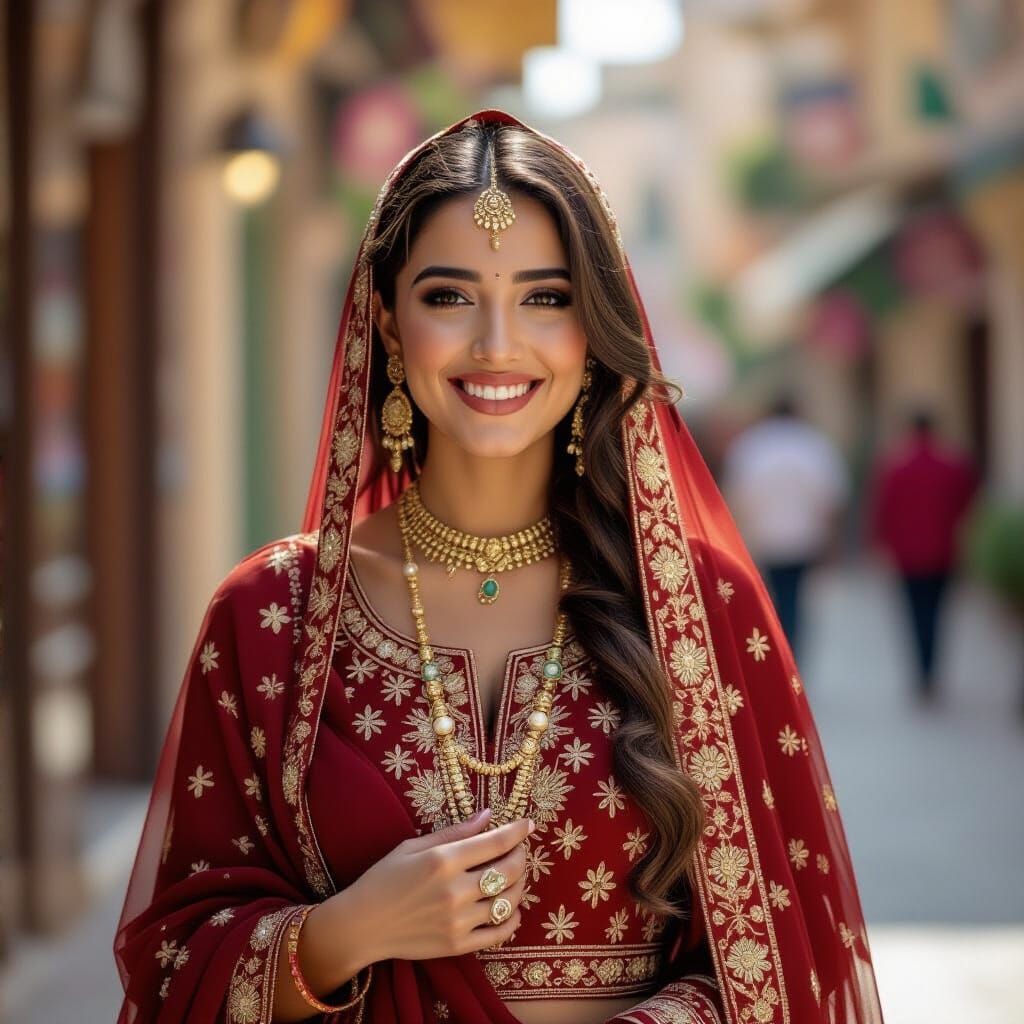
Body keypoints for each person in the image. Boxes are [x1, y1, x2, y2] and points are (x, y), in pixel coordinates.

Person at [113, 111, 883, 1024]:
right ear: (390, 328)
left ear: (593, 331)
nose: (496, 345)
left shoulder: (698, 610)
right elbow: (171, 967)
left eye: (545, 297)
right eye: (448, 296)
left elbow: (790, 962)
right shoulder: (271, 618)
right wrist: (348, 932)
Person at [722, 398, 849, 657]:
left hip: (764, 537)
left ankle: (778, 650)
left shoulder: (752, 445)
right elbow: (831, 497)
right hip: (804, 537)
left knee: (773, 596)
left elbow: (735, 495)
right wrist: (832, 540)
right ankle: (792, 651)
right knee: (795, 597)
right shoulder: (813, 444)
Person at [868, 410, 979, 702]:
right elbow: (968, 505)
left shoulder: (895, 466)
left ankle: (922, 674)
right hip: (943, 551)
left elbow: (882, 509)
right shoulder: (953, 465)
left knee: (914, 614)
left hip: (907, 554)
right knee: (937, 613)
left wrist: (880, 545)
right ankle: (932, 673)